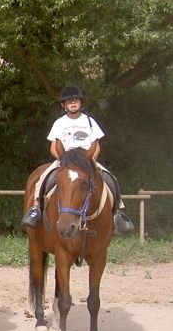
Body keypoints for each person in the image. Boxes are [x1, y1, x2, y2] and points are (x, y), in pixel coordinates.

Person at [21, 84, 134, 234]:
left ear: (81, 103)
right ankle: (35, 208)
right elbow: (53, 147)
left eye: (75, 100)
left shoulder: (89, 121)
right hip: (65, 160)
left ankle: (118, 213)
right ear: (64, 105)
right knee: (43, 177)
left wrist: (91, 158)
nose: (73, 103)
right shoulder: (59, 123)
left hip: (86, 160)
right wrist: (63, 159)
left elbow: (97, 145)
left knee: (110, 177)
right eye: (69, 101)